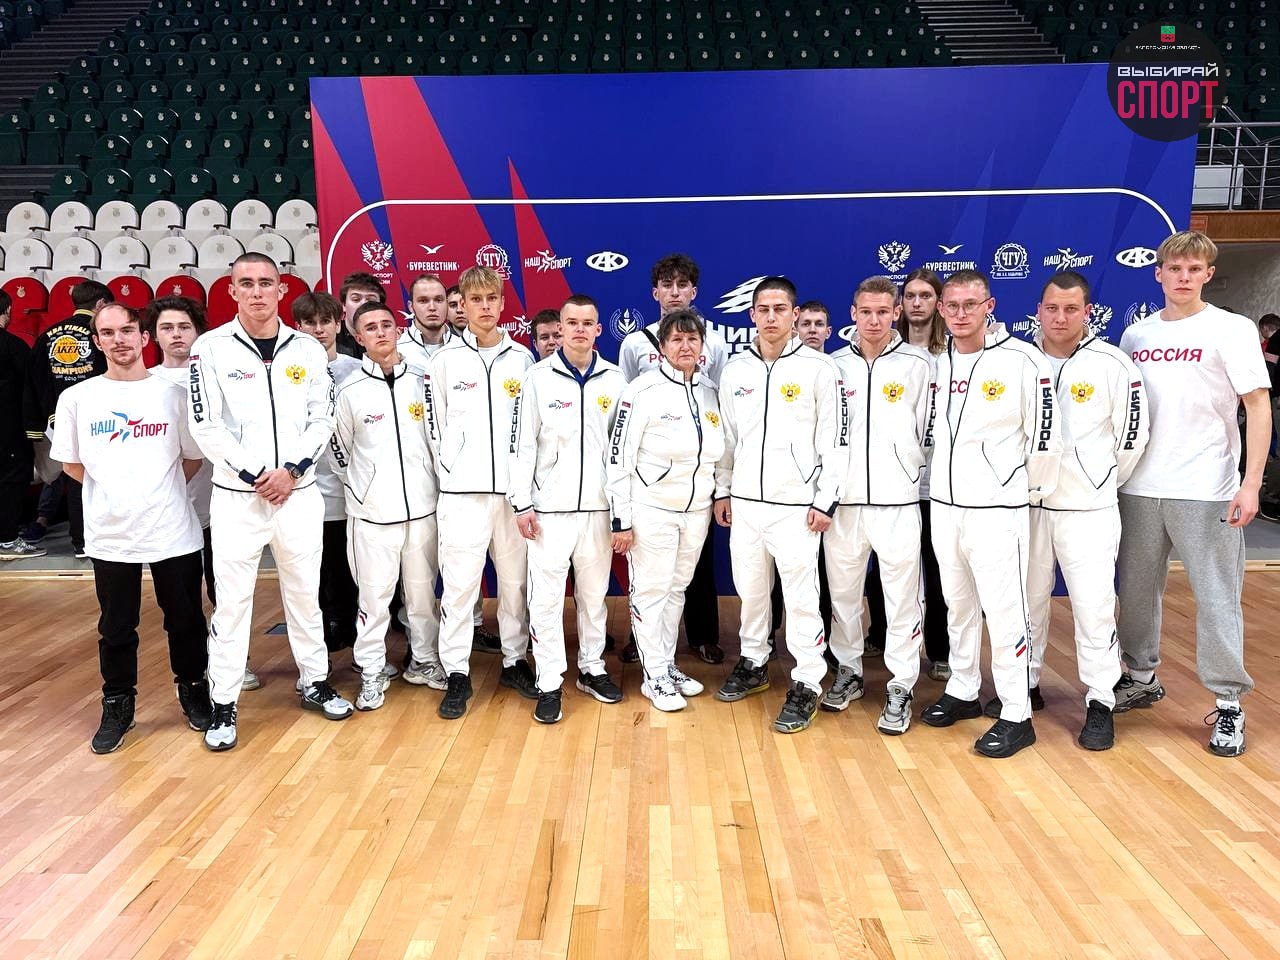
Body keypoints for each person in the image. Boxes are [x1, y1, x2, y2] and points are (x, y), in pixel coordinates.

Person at [1116, 231, 1271, 758]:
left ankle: (1228, 702)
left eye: (1194, 269)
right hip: (1139, 486)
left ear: (1208, 274)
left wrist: (1251, 483)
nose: (1183, 277)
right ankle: (1140, 676)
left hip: (1207, 489)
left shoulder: (1232, 328)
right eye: (1174, 268)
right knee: (1137, 593)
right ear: (1158, 273)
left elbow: (1258, 407)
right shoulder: (1136, 335)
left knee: (1216, 597)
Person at [190, 253, 352, 752]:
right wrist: (254, 474)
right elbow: (205, 424)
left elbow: (322, 418)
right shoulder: (209, 348)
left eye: (266, 283)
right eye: (247, 283)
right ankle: (223, 702)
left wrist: (292, 471)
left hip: (297, 494)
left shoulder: (307, 348)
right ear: (232, 290)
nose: (257, 291)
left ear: (282, 290)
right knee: (232, 602)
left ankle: (314, 680)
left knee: (305, 594)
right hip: (238, 499)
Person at [51, 304, 209, 753]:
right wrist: (116, 491)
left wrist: (156, 491)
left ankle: (194, 691)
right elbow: (71, 464)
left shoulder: (173, 396)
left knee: (186, 620)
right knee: (116, 627)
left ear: (143, 338)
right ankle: (118, 704)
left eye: (127, 330)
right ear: (97, 342)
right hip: (111, 533)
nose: (119, 339)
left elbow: (192, 458)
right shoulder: (77, 398)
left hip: (172, 528)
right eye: (108, 333)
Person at [921, 268, 1061, 759]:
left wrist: (1021, 491)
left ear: (990, 306)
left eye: (970, 305)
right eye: (952, 305)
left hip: (998, 510)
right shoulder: (938, 362)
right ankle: (963, 688)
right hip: (946, 507)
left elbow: (1046, 438)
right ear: (941, 309)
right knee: (957, 605)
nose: (961, 314)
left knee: (1005, 612)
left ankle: (1017, 712)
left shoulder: (1023, 359)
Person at [1014, 271, 1149, 752]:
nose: (1060, 317)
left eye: (1071, 309)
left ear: (1087, 312)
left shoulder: (1114, 364)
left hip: (1088, 507)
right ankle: (1025, 684)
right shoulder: (1019, 360)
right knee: (1026, 602)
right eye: (1051, 308)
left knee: (1093, 607)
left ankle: (1100, 700)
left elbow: (1132, 437)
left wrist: (1098, 479)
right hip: (1028, 505)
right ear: (1038, 310)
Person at [713, 276, 848, 734]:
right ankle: (754, 662)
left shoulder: (819, 368)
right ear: (752, 315)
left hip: (797, 506)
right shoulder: (735, 370)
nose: (771, 317)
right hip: (747, 504)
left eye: (780, 309)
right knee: (751, 592)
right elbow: (727, 439)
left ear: (795, 315)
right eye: (763, 309)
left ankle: (807, 680)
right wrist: (724, 489)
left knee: (802, 598)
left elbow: (836, 440)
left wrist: (825, 499)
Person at [824, 276, 934, 734]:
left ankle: (901, 683)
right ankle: (848, 671)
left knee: (902, 598)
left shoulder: (920, 364)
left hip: (897, 502)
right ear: (853, 313)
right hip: (844, 505)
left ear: (897, 313)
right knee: (843, 596)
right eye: (865, 312)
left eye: (883, 312)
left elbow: (928, 431)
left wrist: (910, 475)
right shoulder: (831, 366)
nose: (874, 320)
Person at [425, 265, 535, 719]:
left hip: (511, 496)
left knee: (514, 584)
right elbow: (434, 427)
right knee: (459, 586)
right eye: (476, 300)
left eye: (492, 298)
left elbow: (528, 430)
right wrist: (453, 471)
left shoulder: (522, 358)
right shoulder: (444, 361)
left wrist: (521, 486)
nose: (485, 307)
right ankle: (456, 671)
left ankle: (514, 660)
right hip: (462, 495)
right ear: (462, 306)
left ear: (503, 303)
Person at [509, 294, 626, 723]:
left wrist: (620, 512)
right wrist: (522, 503)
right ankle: (549, 681)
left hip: (597, 510)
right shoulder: (537, 379)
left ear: (598, 329)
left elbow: (621, 453)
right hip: (548, 512)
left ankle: (592, 668)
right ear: (560, 329)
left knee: (594, 597)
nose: (579, 330)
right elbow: (520, 444)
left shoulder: (615, 379)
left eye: (587, 323)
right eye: (571, 323)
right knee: (545, 601)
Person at [607, 309, 724, 711]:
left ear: (703, 345)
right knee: (652, 591)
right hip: (651, 509)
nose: (685, 346)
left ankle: (666, 664)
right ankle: (653, 674)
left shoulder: (710, 391)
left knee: (676, 590)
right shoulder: (641, 391)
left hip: (696, 510)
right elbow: (618, 459)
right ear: (661, 347)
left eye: (692, 339)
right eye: (676, 339)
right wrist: (621, 519)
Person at [330, 301, 443, 709]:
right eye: (371, 327)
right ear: (358, 338)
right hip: (373, 517)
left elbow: (436, 439)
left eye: (386, 325)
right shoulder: (349, 391)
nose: (380, 332)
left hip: (423, 511)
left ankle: (424, 661)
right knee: (374, 601)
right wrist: (364, 492)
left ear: (398, 330)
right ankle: (372, 670)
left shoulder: (423, 380)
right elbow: (338, 452)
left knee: (422, 598)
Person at [618, 253, 729, 665]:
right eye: (667, 285)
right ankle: (644, 644)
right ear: (656, 293)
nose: (675, 292)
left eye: (683, 285)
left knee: (694, 566)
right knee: (651, 574)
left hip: (697, 479)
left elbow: (717, 399)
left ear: (693, 292)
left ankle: (702, 636)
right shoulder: (635, 343)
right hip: (654, 478)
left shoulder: (713, 341)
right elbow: (628, 402)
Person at [397, 273, 499, 653]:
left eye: (439, 299)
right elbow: (431, 424)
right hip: (423, 478)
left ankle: (475, 630)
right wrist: (445, 466)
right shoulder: (400, 349)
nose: (433, 307)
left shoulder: (473, 349)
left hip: (475, 482)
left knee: (470, 567)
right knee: (421, 572)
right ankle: (421, 647)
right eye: (423, 300)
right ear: (411, 306)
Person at [867, 267, 951, 680]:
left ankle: (940, 649)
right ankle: (881, 634)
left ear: (938, 303)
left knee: (936, 570)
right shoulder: (884, 352)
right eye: (912, 296)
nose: (918, 303)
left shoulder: (951, 353)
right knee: (885, 568)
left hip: (936, 484)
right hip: (890, 484)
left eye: (926, 296)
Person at [292, 291, 364, 659]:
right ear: (298, 326)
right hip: (304, 488)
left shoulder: (356, 370)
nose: (318, 330)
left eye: (325, 322)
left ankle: (348, 626)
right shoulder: (289, 371)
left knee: (346, 564)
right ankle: (320, 632)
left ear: (339, 325)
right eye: (310, 323)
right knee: (312, 569)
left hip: (347, 488)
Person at [23, 279, 111, 558]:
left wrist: (38, 423)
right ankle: (98, 537)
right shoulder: (101, 334)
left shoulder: (47, 335)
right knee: (101, 475)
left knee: (74, 476)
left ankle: (80, 541)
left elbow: (34, 379)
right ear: (100, 304)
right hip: (100, 415)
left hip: (58, 417)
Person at [769, 302, 834, 642]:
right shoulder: (767, 370)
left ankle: (821, 647)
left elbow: (836, 439)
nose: (811, 330)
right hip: (776, 495)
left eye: (818, 324)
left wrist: (828, 494)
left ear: (829, 331)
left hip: (821, 496)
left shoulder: (830, 370)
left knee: (817, 577)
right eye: (806, 323)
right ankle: (766, 641)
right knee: (771, 577)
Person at [144, 297, 213, 595]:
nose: (176, 334)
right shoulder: (146, 383)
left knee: (223, 589)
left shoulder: (216, 377)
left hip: (218, 495)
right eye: (167, 327)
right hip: (170, 502)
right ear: (153, 335)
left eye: (184, 327)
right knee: (179, 596)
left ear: (197, 331)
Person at [0, 290, 41, 560]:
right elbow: (32, 387)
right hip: (9, 429)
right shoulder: (14, 346)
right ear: (8, 310)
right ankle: (7, 539)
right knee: (11, 483)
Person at [335, 271, 385, 358]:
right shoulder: (331, 337)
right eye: (356, 299)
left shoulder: (390, 337)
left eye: (371, 300)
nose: (363, 304)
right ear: (344, 305)